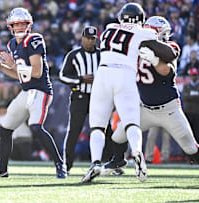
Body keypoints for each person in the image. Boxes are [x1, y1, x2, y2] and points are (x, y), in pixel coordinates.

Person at [81, 4, 177, 183]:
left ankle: (95, 162)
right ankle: (137, 153)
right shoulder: (143, 32)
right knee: (132, 122)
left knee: (97, 126)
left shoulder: (109, 28)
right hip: (125, 74)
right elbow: (169, 54)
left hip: (102, 74)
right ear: (139, 19)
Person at [103, 16, 199, 176]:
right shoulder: (135, 48)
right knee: (118, 136)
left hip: (169, 109)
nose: (166, 36)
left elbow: (167, 72)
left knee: (190, 148)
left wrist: (154, 60)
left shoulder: (169, 47)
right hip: (144, 108)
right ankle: (118, 159)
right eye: (163, 33)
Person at [0, 7, 66, 178]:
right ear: (10, 27)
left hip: (41, 91)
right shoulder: (12, 44)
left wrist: (13, 66)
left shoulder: (34, 39)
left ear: (29, 25)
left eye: (23, 24)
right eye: (16, 24)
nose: (20, 27)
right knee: (5, 129)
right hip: (26, 90)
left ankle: (60, 164)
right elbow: (19, 75)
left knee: (35, 127)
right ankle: (2, 170)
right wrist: (1, 67)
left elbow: (36, 72)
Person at [59, 26, 100, 172]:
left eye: (92, 39)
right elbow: (62, 76)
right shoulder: (74, 54)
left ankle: (110, 163)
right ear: (82, 38)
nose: (90, 41)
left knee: (104, 130)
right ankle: (67, 164)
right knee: (74, 131)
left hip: (98, 98)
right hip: (79, 97)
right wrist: (80, 79)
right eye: (87, 38)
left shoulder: (102, 55)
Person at [182, 68, 199, 143]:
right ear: (190, 76)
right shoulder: (186, 86)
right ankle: (186, 153)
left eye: (195, 75)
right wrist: (195, 95)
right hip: (188, 112)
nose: (194, 77)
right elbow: (184, 97)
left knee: (197, 133)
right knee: (188, 132)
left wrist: (191, 95)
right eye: (192, 75)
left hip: (197, 112)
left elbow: (188, 96)